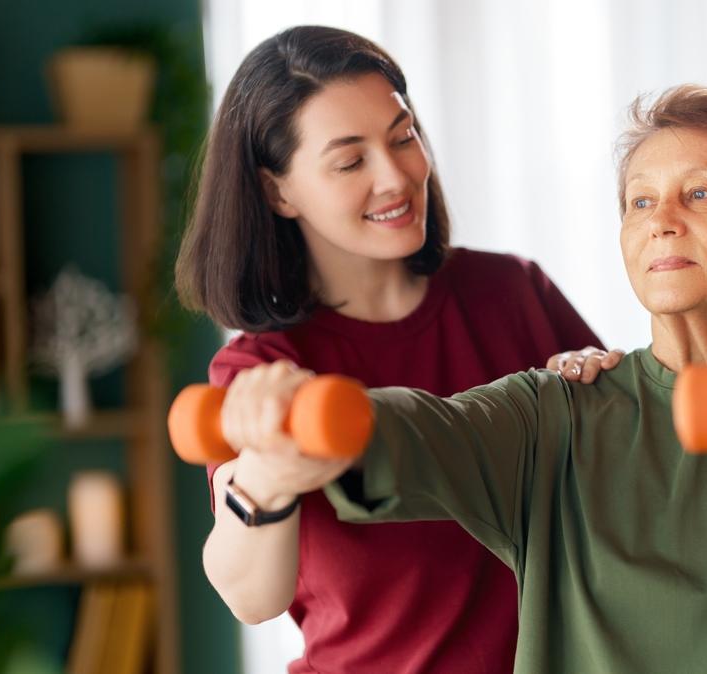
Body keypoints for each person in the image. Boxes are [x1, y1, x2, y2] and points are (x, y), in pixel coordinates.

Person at [226, 84, 707, 673]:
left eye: (702, 194)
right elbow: (416, 430)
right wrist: (300, 415)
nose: (663, 224)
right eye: (641, 203)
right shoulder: (551, 416)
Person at [175, 26, 621, 674]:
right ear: (278, 191)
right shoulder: (262, 372)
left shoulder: (513, 293)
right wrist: (267, 481)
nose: (396, 176)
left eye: (403, 136)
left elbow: (623, 496)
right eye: (351, 161)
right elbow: (250, 596)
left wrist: (592, 407)